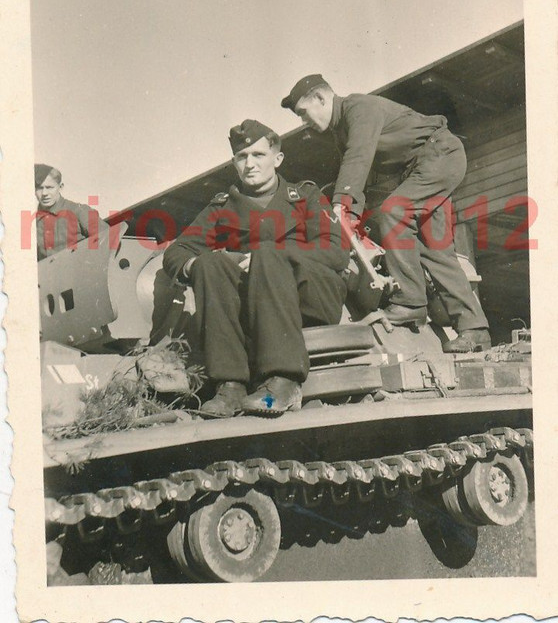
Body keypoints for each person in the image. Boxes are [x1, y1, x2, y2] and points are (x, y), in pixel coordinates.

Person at [281, 74, 490, 353]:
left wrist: (343, 204)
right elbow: (361, 174)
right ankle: (475, 329)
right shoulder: (340, 130)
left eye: (303, 113)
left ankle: (410, 301)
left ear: (321, 98)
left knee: (394, 210)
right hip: (426, 165)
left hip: (438, 155)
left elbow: (359, 157)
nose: (303, 121)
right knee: (434, 246)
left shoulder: (358, 108)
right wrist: (344, 208)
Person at [163, 119, 349, 418]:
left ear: (277, 159)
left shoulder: (306, 197)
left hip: (311, 297)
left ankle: (284, 382)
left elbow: (336, 250)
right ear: (234, 163)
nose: (250, 164)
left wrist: (278, 255)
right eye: (242, 157)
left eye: (258, 155)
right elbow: (177, 252)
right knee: (210, 263)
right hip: (253, 304)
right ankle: (231, 386)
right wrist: (203, 264)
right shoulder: (223, 206)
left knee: (267, 253)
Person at [34, 164, 107, 260]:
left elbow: (109, 240)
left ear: (60, 187)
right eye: (39, 188)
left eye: (50, 187)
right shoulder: (33, 223)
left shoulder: (79, 211)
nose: (44, 193)